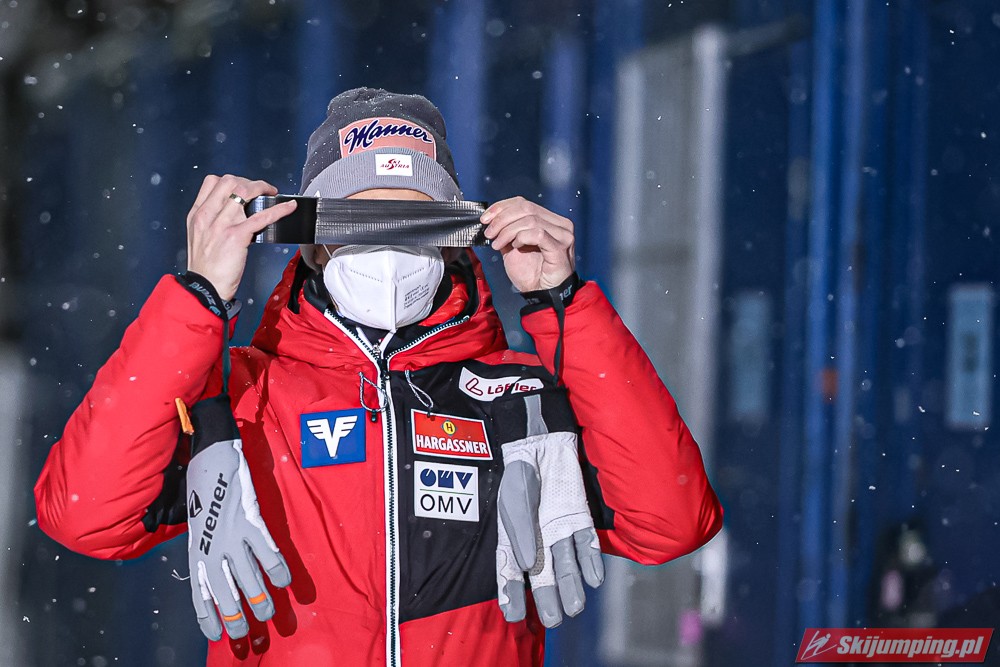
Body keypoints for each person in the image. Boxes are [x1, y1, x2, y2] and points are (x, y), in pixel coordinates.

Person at [33, 87, 723, 666]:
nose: (387, 248)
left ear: (453, 241)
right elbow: (85, 515)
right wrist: (198, 297)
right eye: (358, 220)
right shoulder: (235, 394)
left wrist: (563, 303)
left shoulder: (521, 400)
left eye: (413, 222)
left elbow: (672, 523)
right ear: (313, 243)